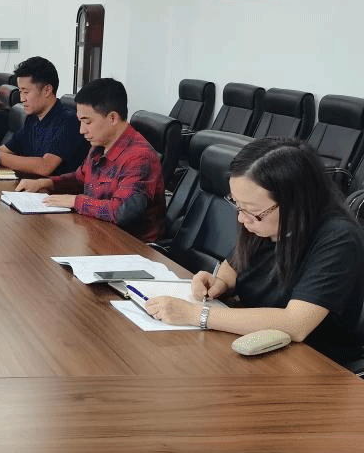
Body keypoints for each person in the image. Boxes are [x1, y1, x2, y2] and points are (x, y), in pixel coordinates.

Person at [144, 138, 364, 371]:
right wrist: (221, 282)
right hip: (254, 346)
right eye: (238, 205)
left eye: (252, 211)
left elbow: (296, 323)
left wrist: (196, 314)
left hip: (313, 364)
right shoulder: (263, 221)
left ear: (295, 202)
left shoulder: (338, 238)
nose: (241, 218)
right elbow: (234, 263)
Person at [16, 77, 166, 242]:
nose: (82, 130)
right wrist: (46, 183)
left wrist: (75, 201)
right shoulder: (100, 145)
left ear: (112, 118)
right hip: (98, 234)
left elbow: (121, 211)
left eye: (87, 122)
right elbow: (79, 179)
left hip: (130, 245)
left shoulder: (140, 157)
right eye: (80, 122)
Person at [0, 56, 87, 176]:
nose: (21, 99)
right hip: (29, 183)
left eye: (26, 92)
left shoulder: (69, 121)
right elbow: (5, 150)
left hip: (53, 187)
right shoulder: (32, 119)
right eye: (20, 92)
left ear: (47, 90)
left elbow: (45, 166)